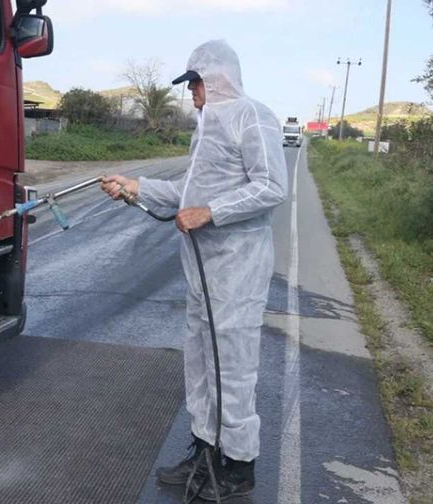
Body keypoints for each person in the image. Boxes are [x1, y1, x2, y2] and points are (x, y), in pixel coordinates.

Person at [102, 40, 288, 500]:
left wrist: (211, 212)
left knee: (234, 368)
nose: (192, 93)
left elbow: (271, 186)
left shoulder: (252, 115)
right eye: (189, 86)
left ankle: (238, 468)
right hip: (204, 272)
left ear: (218, 78)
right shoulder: (203, 130)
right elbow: (186, 192)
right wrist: (136, 187)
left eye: (196, 83)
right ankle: (205, 453)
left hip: (237, 269)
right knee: (202, 364)